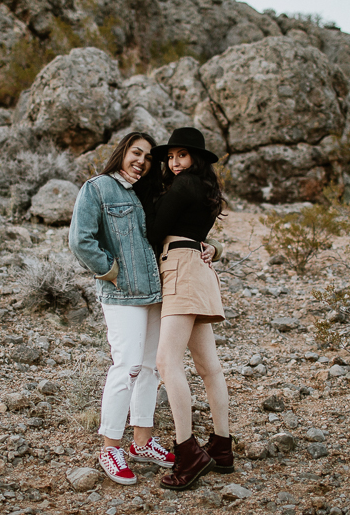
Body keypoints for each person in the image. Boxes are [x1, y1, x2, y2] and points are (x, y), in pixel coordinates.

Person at [68, 132, 176, 485]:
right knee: (126, 366)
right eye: (136, 152)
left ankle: (142, 442)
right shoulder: (98, 188)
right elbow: (80, 239)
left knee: (150, 368)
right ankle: (110, 446)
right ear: (122, 152)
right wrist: (108, 270)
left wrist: (209, 246)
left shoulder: (146, 191)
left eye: (147, 157)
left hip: (155, 293)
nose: (141, 161)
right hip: (122, 294)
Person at [148, 127, 234, 491]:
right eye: (170, 157)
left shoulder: (183, 185)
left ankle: (188, 452)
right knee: (208, 366)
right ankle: (221, 446)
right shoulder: (205, 188)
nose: (174, 162)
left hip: (181, 267)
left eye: (181, 155)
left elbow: (155, 228)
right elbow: (192, 229)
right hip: (198, 268)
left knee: (167, 363)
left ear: (196, 158)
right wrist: (212, 245)